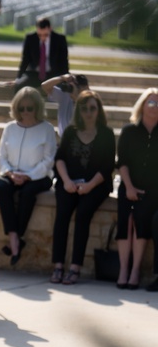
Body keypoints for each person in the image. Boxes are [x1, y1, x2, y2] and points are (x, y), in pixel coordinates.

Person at [50, 91, 114, 286]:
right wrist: (67, 181)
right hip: (68, 183)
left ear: (98, 110)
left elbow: (107, 166)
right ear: (79, 110)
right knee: (62, 215)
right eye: (84, 108)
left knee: (83, 214)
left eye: (92, 108)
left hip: (96, 184)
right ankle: (58, 265)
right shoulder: (70, 132)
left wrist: (88, 186)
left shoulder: (106, 134)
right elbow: (59, 159)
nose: (88, 112)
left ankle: (75, 267)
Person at [0, 87, 56, 266]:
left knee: (28, 193)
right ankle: (15, 237)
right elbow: (1, 156)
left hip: (39, 177)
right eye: (21, 108)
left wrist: (28, 176)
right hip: (12, 174)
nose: (26, 112)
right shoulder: (10, 128)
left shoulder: (47, 129)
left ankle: (15, 238)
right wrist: (9, 173)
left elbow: (48, 160)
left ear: (37, 108)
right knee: (3, 186)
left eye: (30, 108)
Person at [116, 88, 158, 291]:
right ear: (142, 105)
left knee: (141, 220)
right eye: (151, 102)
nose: (155, 107)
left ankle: (135, 271)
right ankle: (123, 270)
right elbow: (122, 162)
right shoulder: (129, 131)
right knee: (126, 221)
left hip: (153, 190)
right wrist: (130, 187)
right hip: (129, 185)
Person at [15, 18, 69, 92]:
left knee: (63, 90)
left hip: (53, 74)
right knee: (19, 86)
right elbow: (25, 60)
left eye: (46, 35)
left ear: (50, 29)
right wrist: (18, 78)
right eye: (40, 35)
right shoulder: (30, 38)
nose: (43, 38)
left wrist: (65, 78)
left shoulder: (59, 39)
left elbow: (64, 62)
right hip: (35, 74)